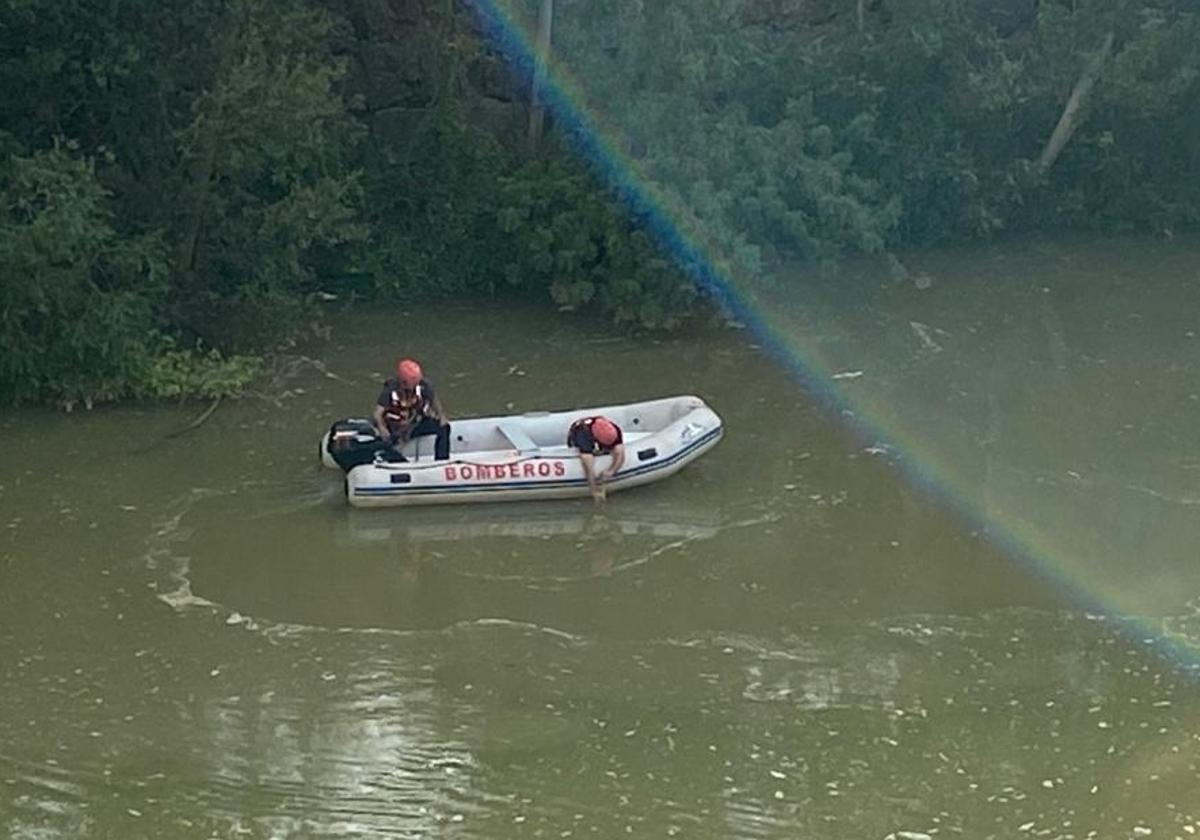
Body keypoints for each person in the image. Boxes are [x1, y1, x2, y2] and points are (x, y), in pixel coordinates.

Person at [373, 358, 451, 460]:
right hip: (396, 427)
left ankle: (442, 459)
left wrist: (441, 416)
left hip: (415, 424)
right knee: (385, 442)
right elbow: (377, 413)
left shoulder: (424, 385)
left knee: (444, 428)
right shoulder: (391, 390)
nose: (415, 385)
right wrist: (382, 428)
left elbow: (434, 401)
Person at [567, 415, 625, 502]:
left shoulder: (614, 430)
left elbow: (620, 451)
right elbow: (588, 467)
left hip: (597, 427)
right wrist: (594, 490)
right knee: (587, 459)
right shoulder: (583, 436)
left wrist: (612, 471)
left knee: (618, 449)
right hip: (578, 431)